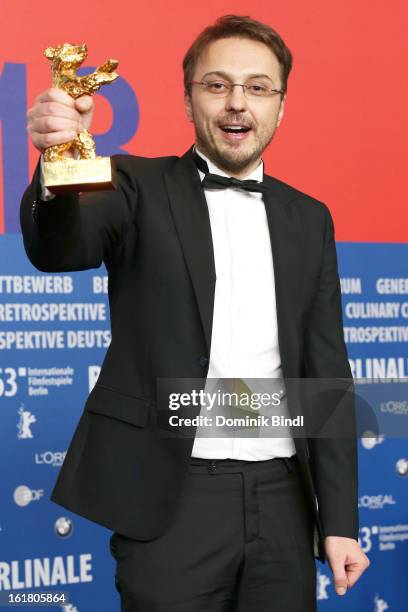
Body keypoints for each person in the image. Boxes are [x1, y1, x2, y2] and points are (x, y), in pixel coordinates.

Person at [21, 14, 369, 612]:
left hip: (284, 503)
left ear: (280, 107)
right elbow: (60, 249)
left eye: (258, 87)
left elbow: (325, 373)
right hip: (171, 503)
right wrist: (59, 166)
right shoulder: (132, 184)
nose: (238, 104)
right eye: (217, 85)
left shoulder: (310, 218)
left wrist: (337, 521)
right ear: (188, 100)